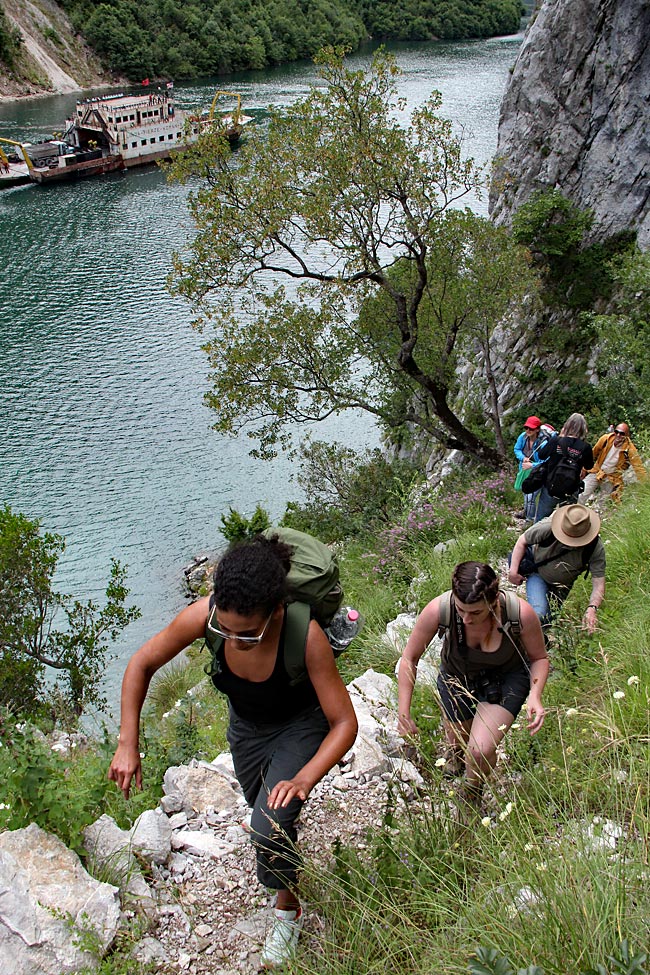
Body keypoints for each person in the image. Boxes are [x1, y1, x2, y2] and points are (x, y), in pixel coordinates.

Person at [108, 534, 358, 969]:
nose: (234, 639)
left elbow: (345, 724)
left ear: (277, 610)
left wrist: (305, 777)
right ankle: (283, 853)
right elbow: (141, 663)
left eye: (247, 632)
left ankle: (287, 910)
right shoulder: (206, 618)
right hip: (246, 731)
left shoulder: (305, 634)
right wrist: (128, 741)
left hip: (301, 725)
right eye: (225, 628)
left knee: (267, 825)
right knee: (267, 812)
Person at [397, 561, 548, 810]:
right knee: (459, 742)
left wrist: (535, 695)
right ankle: (455, 754)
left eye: (476, 613)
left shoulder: (519, 614)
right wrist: (404, 713)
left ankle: (471, 793)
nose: (466, 619)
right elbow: (409, 658)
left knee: (478, 751)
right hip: (457, 678)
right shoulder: (439, 610)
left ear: (494, 602)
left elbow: (539, 658)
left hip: (505, 678)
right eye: (461, 610)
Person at [508, 504, 605, 634]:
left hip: (563, 587)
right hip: (538, 574)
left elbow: (598, 583)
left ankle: (539, 643)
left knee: (550, 618)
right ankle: (521, 640)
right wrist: (513, 572)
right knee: (539, 613)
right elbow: (522, 541)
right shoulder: (547, 527)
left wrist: (592, 608)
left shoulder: (595, 547)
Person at [534, 413, 594, 522]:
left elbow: (541, 455)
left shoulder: (556, 441)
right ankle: (560, 538)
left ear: (566, 426)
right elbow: (589, 466)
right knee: (566, 522)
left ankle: (536, 538)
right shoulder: (585, 447)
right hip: (571, 489)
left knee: (540, 519)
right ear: (584, 429)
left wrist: (558, 438)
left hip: (550, 486)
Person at [579, 422, 647, 505]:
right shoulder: (605, 439)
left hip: (612, 477)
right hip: (597, 471)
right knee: (582, 493)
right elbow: (592, 454)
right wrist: (584, 469)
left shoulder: (629, 449)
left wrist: (646, 485)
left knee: (605, 502)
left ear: (627, 436)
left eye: (622, 434)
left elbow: (638, 467)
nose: (618, 435)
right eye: (616, 432)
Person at [513, 415, 548, 521]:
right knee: (526, 493)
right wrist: (523, 458)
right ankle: (527, 512)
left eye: (531, 428)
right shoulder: (522, 437)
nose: (528, 430)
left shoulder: (544, 443)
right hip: (524, 470)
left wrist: (532, 465)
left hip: (538, 473)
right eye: (526, 428)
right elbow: (517, 449)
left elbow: (546, 462)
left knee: (530, 497)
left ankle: (530, 519)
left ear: (537, 429)